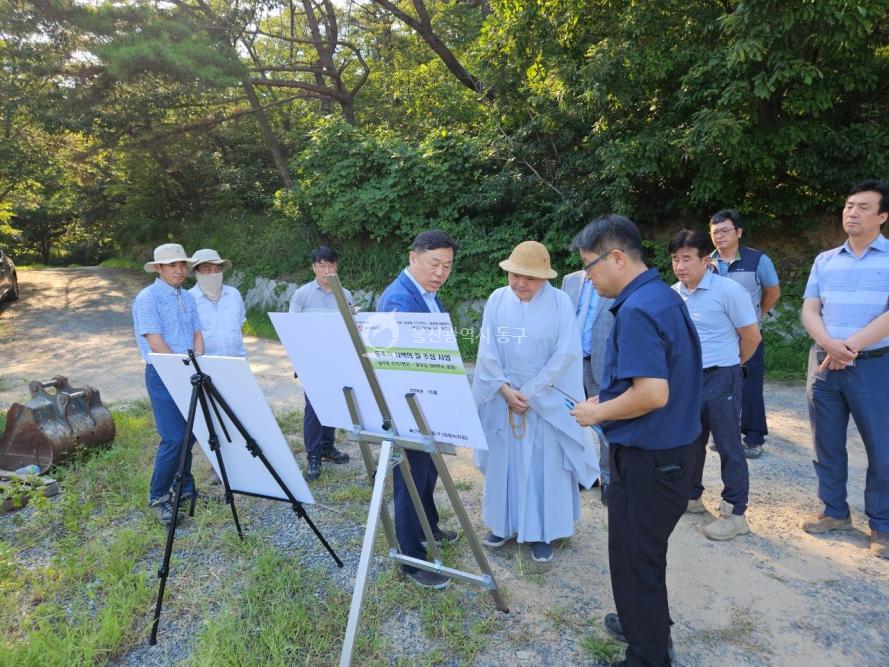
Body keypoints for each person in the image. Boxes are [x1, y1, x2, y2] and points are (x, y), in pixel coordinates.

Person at [569, 215, 701, 667]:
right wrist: (607, 396)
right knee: (641, 555)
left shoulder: (640, 309)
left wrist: (597, 412)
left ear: (617, 258)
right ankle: (641, 622)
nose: (587, 277)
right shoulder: (660, 295)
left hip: (649, 459)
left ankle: (646, 657)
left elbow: (651, 393)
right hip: (668, 454)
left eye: (589, 266)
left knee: (635, 560)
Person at [473, 241, 598, 563]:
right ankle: (503, 525)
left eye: (529, 277)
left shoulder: (559, 303)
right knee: (505, 463)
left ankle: (544, 533)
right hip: (505, 399)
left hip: (545, 402)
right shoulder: (497, 300)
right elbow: (486, 350)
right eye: (515, 275)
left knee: (544, 467)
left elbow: (566, 354)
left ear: (545, 277)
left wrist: (530, 391)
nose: (520, 283)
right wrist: (502, 388)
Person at [800, 179, 889, 560]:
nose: (852, 212)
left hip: (873, 366)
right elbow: (809, 309)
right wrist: (830, 345)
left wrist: (848, 347)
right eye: (849, 205)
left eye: (863, 207)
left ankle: (882, 524)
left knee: (882, 449)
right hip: (823, 364)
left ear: (883, 216)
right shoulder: (825, 260)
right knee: (827, 443)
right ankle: (834, 511)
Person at [376, 230, 459, 590]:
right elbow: (400, 362)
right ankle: (411, 557)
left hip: (428, 401)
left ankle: (429, 527)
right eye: (434, 263)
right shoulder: (398, 299)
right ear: (413, 258)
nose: (440, 272)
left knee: (427, 471)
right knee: (409, 477)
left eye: (447, 266)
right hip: (408, 405)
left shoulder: (428, 296)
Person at [670, 229, 761, 541]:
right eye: (675, 259)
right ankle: (691, 496)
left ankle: (735, 513)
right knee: (690, 441)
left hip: (723, 374)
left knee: (727, 444)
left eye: (687, 259)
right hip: (687, 378)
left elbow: (752, 338)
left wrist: (732, 365)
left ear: (705, 260)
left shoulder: (728, 291)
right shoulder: (674, 294)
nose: (681, 266)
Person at [132, 243, 204, 525]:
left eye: (182, 264)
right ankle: (159, 496)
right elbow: (155, 342)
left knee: (191, 434)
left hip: (190, 371)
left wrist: (198, 358)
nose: (178, 269)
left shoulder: (187, 297)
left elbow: (198, 332)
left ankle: (184, 490)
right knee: (174, 437)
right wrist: (182, 366)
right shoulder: (147, 298)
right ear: (159, 268)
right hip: (163, 373)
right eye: (171, 265)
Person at [708, 210, 781, 459]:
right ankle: (725, 435)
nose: (719, 236)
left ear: (738, 232)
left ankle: (753, 437)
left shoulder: (758, 260)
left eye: (725, 231)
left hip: (749, 336)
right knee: (721, 386)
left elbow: (773, 291)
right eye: (715, 232)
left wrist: (756, 315)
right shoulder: (707, 263)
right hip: (719, 338)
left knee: (750, 386)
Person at [289, 246, 353, 481]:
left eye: (330, 265)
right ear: (313, 267)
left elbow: (351, 327)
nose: (326, 270)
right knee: (314, 409)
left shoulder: (344, 294)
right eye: (321, 265)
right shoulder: (302, 295)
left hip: (337, 359)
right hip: (311, 360)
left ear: (336, 266)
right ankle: (313, 455)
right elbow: (292, 330)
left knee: (334, 405)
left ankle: (328, 447)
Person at [562, 239, 615, 505]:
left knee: (605, 423)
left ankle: (608, 478)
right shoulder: (570, 280)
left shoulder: (616, 283)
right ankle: (584, 473)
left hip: (602, 362)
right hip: (571, 363)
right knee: (571, 420)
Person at [188, 249, 246, 358]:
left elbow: (240, 323)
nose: (214, 274)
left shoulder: (234, 294)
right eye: (208, 270)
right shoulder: (188, 299)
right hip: (205, 363)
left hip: (237, 360)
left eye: (217, 270)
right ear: (197, 272)